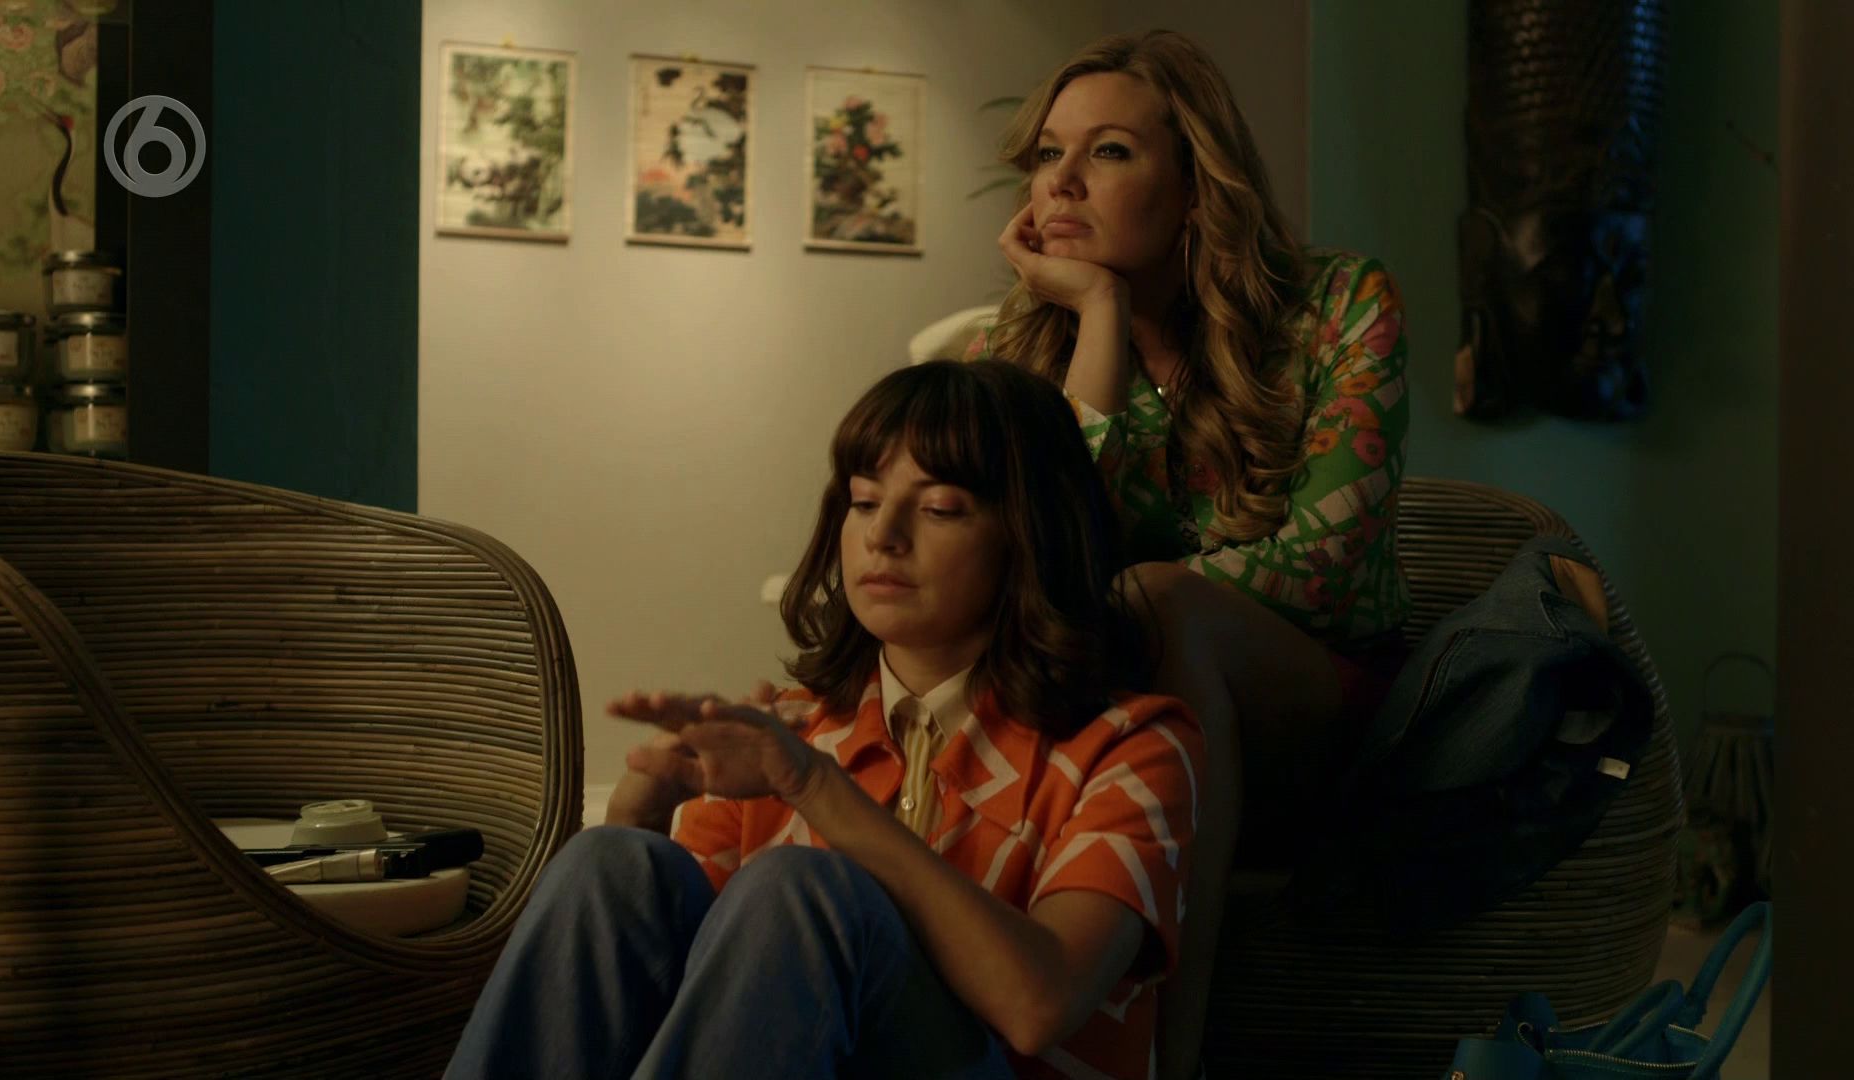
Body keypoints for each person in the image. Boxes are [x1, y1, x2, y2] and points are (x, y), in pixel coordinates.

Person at [443, 359, 1207, 1080]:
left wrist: (817, 788)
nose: (882, 535)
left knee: (802, 887)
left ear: (1031, 534)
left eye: (939, 508)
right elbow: (689, 999)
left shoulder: (1132, 747)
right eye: (865, 502)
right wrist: (642, 814)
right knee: (611, 861)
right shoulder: (787, 734)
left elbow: (1041, 1005)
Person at [967, 28, 1412, 857]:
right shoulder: (1011, 349)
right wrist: (1099, 314)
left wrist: (1120, 607)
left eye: (1108, 151)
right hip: (1102, 693)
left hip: (1322, 699)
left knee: (1162, 604)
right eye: (1049, 153)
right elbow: (1021, 558)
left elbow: (1320, 571)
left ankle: (1177, 949)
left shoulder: (1341, 302)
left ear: (1197, 187)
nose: (1060, 182)